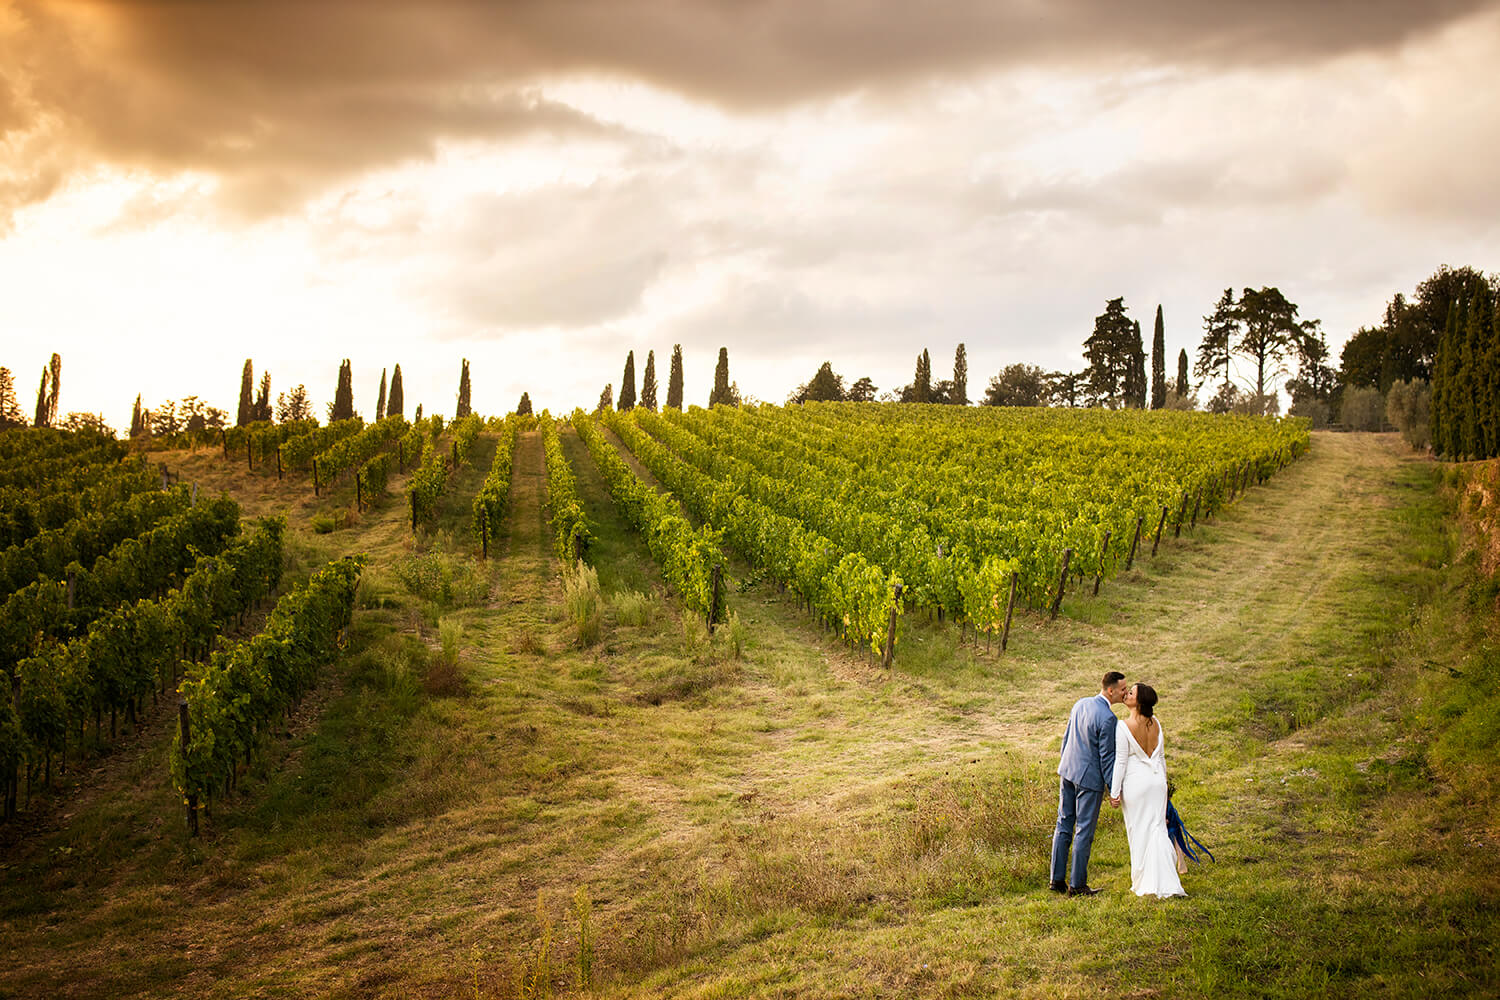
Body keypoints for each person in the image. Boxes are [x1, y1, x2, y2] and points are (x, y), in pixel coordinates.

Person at [1050, 670, 1127, 896]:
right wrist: (1114, 789)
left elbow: (1067, 737)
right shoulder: (1108, 718)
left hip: (1067, 771)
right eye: (1123, 689)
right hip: (1088, 780)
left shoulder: (1080, 703)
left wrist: (1063, 763)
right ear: (1110, 690)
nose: (1125, 692)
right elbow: (1107, 757)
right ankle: (1077, 885)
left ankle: (1056, 880)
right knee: (1084, 830)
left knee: (1063, 823)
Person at [1109, 683, 1186, 898]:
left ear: (1139, 702)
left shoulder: (1123, 726)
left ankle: (1144, 880)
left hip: (1136, 785)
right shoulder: (1157, 724)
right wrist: (1164, 786)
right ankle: (1166, 879)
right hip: (1156, 784)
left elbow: (1121, 762)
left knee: (1139, 831)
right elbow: (1160, 759)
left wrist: (1114, 792)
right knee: (1157, 828)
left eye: (1131, 693)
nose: (1127, 694)